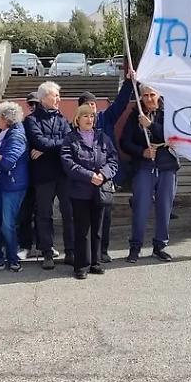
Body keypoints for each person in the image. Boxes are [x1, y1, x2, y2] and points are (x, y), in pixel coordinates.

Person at [120, 84, 179, 262]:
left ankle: (160, 246)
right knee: (140, 207)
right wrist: (141, 152)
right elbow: (125, 142)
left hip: (167, 166)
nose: (148, 99)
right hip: (144, 167)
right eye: (145, 95)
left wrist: (150, 125)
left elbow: (172, 135)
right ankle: (135, 247)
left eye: (151, 94)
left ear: (158, 94)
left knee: (164, 208)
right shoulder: (135, 114)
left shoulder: (169, 112)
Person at [61, 103, 120, 280]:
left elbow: (113, 160)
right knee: (82, 229)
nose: (89, 119)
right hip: (80, 191)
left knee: (98, 229)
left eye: (92, 116)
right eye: (85, 116)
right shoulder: (69, 139)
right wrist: (89, 176)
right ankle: (82, 265)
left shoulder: (103, 137)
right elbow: (68, 164)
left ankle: (96, 262)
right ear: (77, 119)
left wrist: (103, 174)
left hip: (100, 189)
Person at [82, 75, 135, 263]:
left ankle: (103, 251)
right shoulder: (75, 128)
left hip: (105, 178)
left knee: (105, 217)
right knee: (85, 219)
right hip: (84, 179)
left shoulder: (106, 119)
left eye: (93, 105)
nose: (91, 109)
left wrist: (129, 82)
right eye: (87, 105)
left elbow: (120, 104)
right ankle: (87, 253)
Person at [25, 81, 74, 270]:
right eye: (55, 96)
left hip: (63, 173)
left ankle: (70, 251)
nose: (59, 99)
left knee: (69, 213)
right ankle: (47, 252)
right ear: (44, 98)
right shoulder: (31, 120)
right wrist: (50, 146)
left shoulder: (62, 119)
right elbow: (39, 141)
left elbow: (70, 141)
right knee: (44, 214)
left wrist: (46, 149)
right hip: (43, 175)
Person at [0, 101, 29, 273]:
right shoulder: (5, 133)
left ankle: (12, 258)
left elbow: (7, 163)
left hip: (12, 185)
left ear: (6, 119)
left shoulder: (16, 135)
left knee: (7, 223)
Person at [16, 91, 41, 258]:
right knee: (25, 213)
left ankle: (44, 245)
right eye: (30, 104)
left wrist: (43, 149)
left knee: (43, 214)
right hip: (26, 174)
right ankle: (25, 246)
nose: (33, 107)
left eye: (36, 104)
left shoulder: (48, 121)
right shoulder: (24, 123)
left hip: (43, 174)